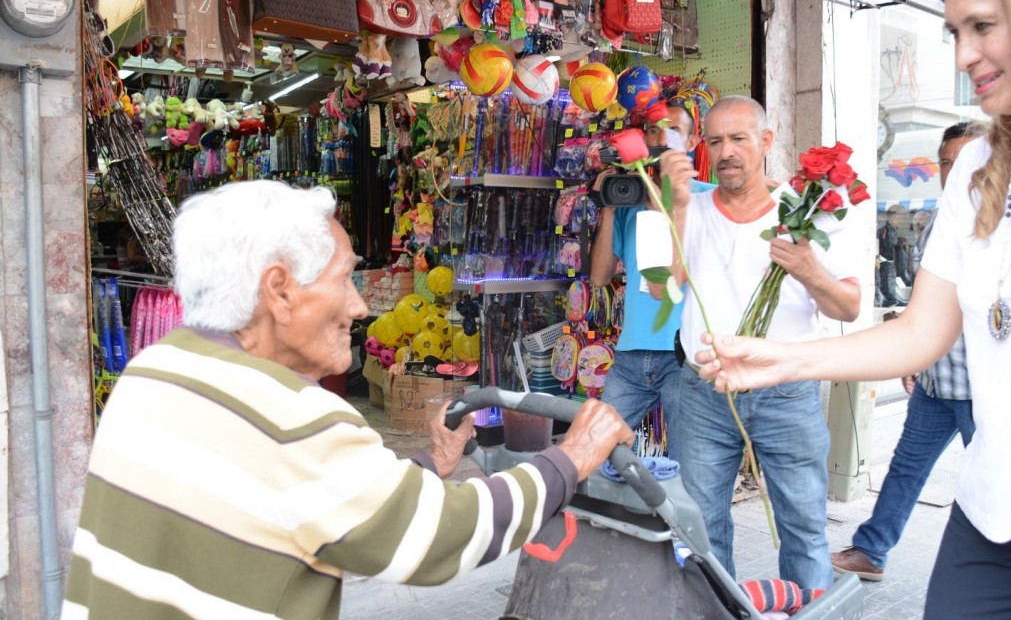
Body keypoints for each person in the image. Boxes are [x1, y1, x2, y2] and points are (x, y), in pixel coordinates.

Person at [695, 0, 1011, 616]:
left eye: (983, 26)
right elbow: (920, 331)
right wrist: (784, 360)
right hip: (993, 515)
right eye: (954, 32)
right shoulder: (983, 162)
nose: (963, 56)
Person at [63, 181, 635, 618]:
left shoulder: (156, 367)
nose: (360, 307)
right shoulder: (293, 416)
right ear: (280, 290)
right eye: (344, 280)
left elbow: (300, 499)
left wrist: (429, 465)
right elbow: (442, 537)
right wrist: (573, 457)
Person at [652, 95, 863, 588]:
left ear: (766, 142)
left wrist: (811, 271)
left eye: (739, 139)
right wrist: (677, 206)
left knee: (805, 529)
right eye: (716, 140)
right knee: (700, 528)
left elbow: (848, 308)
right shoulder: (687, 206)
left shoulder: (806, 210)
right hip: (704, 390)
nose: (727, 152)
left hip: (787, 392)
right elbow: (661, 292)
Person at [831, 122, 983, 582]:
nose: (953, 170)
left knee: (993, 483)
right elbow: (927, 304)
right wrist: (917, 357)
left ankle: (1007, 572)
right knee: (906, 468)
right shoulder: (940, 218)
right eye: (946, 161)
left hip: (983, 388)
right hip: (938, 382)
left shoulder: (999, 220)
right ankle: (872, 551)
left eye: (965, 161)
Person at [589, 103, 715, 440]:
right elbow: (599, 278)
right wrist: (611, 209)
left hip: (684, 355)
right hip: (630, 354)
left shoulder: (707, 201)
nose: (660, 137)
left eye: (672, 130)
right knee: (597, 445)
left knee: (687, 460)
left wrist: (662, 196)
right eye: (653, 129)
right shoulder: (628, 200)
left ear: (693, 141)